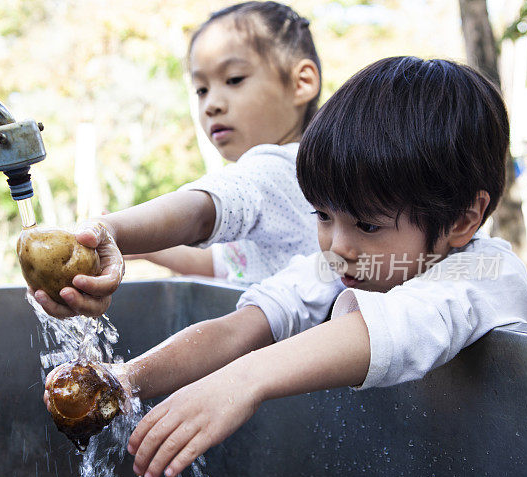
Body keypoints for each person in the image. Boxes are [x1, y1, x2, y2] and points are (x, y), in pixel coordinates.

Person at [46, 57, 527, 477]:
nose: (337, 246)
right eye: (323, 216)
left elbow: (397, 328)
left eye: (366, 224)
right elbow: (241, 328)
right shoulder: (340, 266)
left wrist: (245, 381)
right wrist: (124, 381)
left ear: (462, 219)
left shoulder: (488, 274)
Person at [32, 1, 322, 317]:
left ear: (301, 83)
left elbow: (198, 212)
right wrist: (134, 247)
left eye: (234, 79)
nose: (211, 104)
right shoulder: (299, 175)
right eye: (201, 89)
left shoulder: (279, 168)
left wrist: (112, 228)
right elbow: (220, 265)